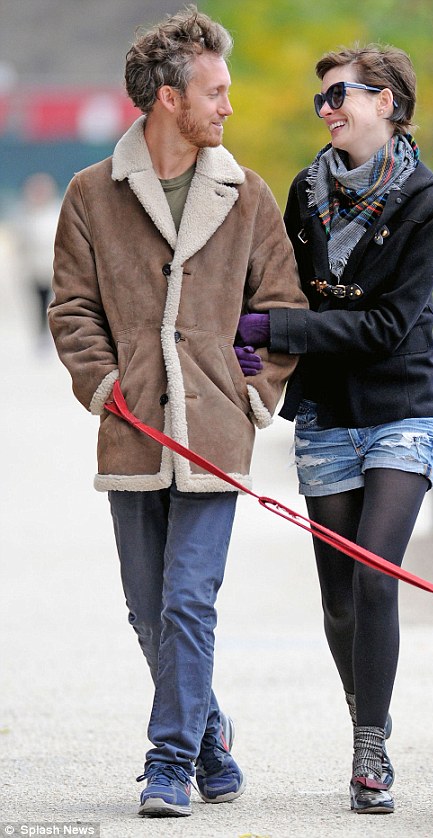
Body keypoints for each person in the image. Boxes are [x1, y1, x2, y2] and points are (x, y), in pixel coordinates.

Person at [48, 6, 306, 819]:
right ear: (168, 97)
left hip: (215, 437)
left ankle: (168, 764)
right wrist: (104, 384)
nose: (227, 107)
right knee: (144, 606)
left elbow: (279, 307)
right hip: (131, 434)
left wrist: (252, 390)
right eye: (216, 91)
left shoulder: (247, 193)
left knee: (188, 600)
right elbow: (71, 309)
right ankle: (208, 733)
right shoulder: (91, 194)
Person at [236, 44, 433, 815]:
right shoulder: (305, 189)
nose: (328, 109)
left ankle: (370, 752)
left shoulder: (428, 200)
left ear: (387, 103)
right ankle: (373, 712)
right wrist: (252, 334)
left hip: (402, 410)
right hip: (327, 417)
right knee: (337, 600)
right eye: (321, 99)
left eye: (341, 95)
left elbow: (390, 326)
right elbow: (284, 285)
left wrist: (280, 326)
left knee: (373, 574)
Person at [13, 172, 61, 351]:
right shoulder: (24, 214)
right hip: (34, 268)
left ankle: (53, 334)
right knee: (37, 303)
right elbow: (21, 243)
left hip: (54, 267)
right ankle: (40, 334)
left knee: (55, 303)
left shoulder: (57, 211)